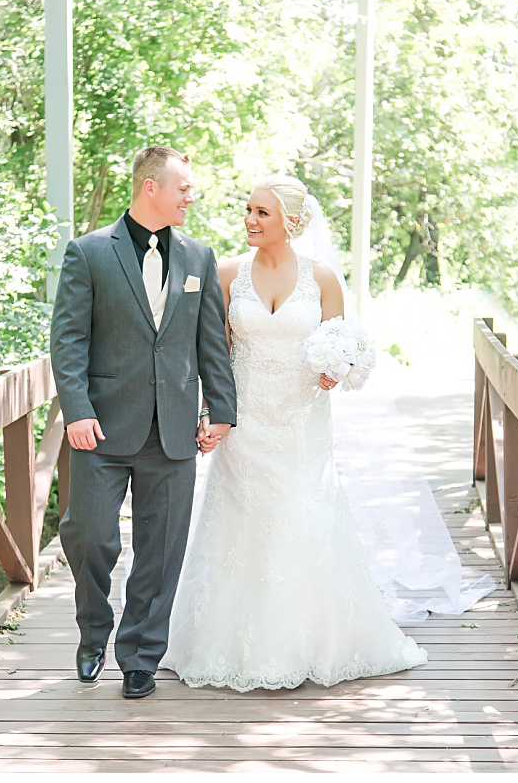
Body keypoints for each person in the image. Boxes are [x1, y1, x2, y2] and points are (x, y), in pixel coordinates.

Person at [160, 175, 428, 691]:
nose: (250, 221)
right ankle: (230, 643)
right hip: (245, 420)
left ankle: (310, 640)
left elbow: (341, 343)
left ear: (292, 222)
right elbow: (213, 354)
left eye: (262, 212)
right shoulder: (227, 274)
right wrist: (211, 412)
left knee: (300, 516)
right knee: (242, 523)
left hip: (302, 422)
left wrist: (337, 370)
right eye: (248, 210)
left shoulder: (323, 279)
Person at [50, 146, 237, 699]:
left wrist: (221, 411)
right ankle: (92, 635)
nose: (191, 196)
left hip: (174, 428)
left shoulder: (198, 257)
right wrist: (77, 410)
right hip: (101, 429)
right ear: (149, 188)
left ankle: (139, 658)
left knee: (160, 550)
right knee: (88, 534)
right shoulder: (87, 253)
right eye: (183, 187)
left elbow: (211, 342)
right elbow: (69, 341)